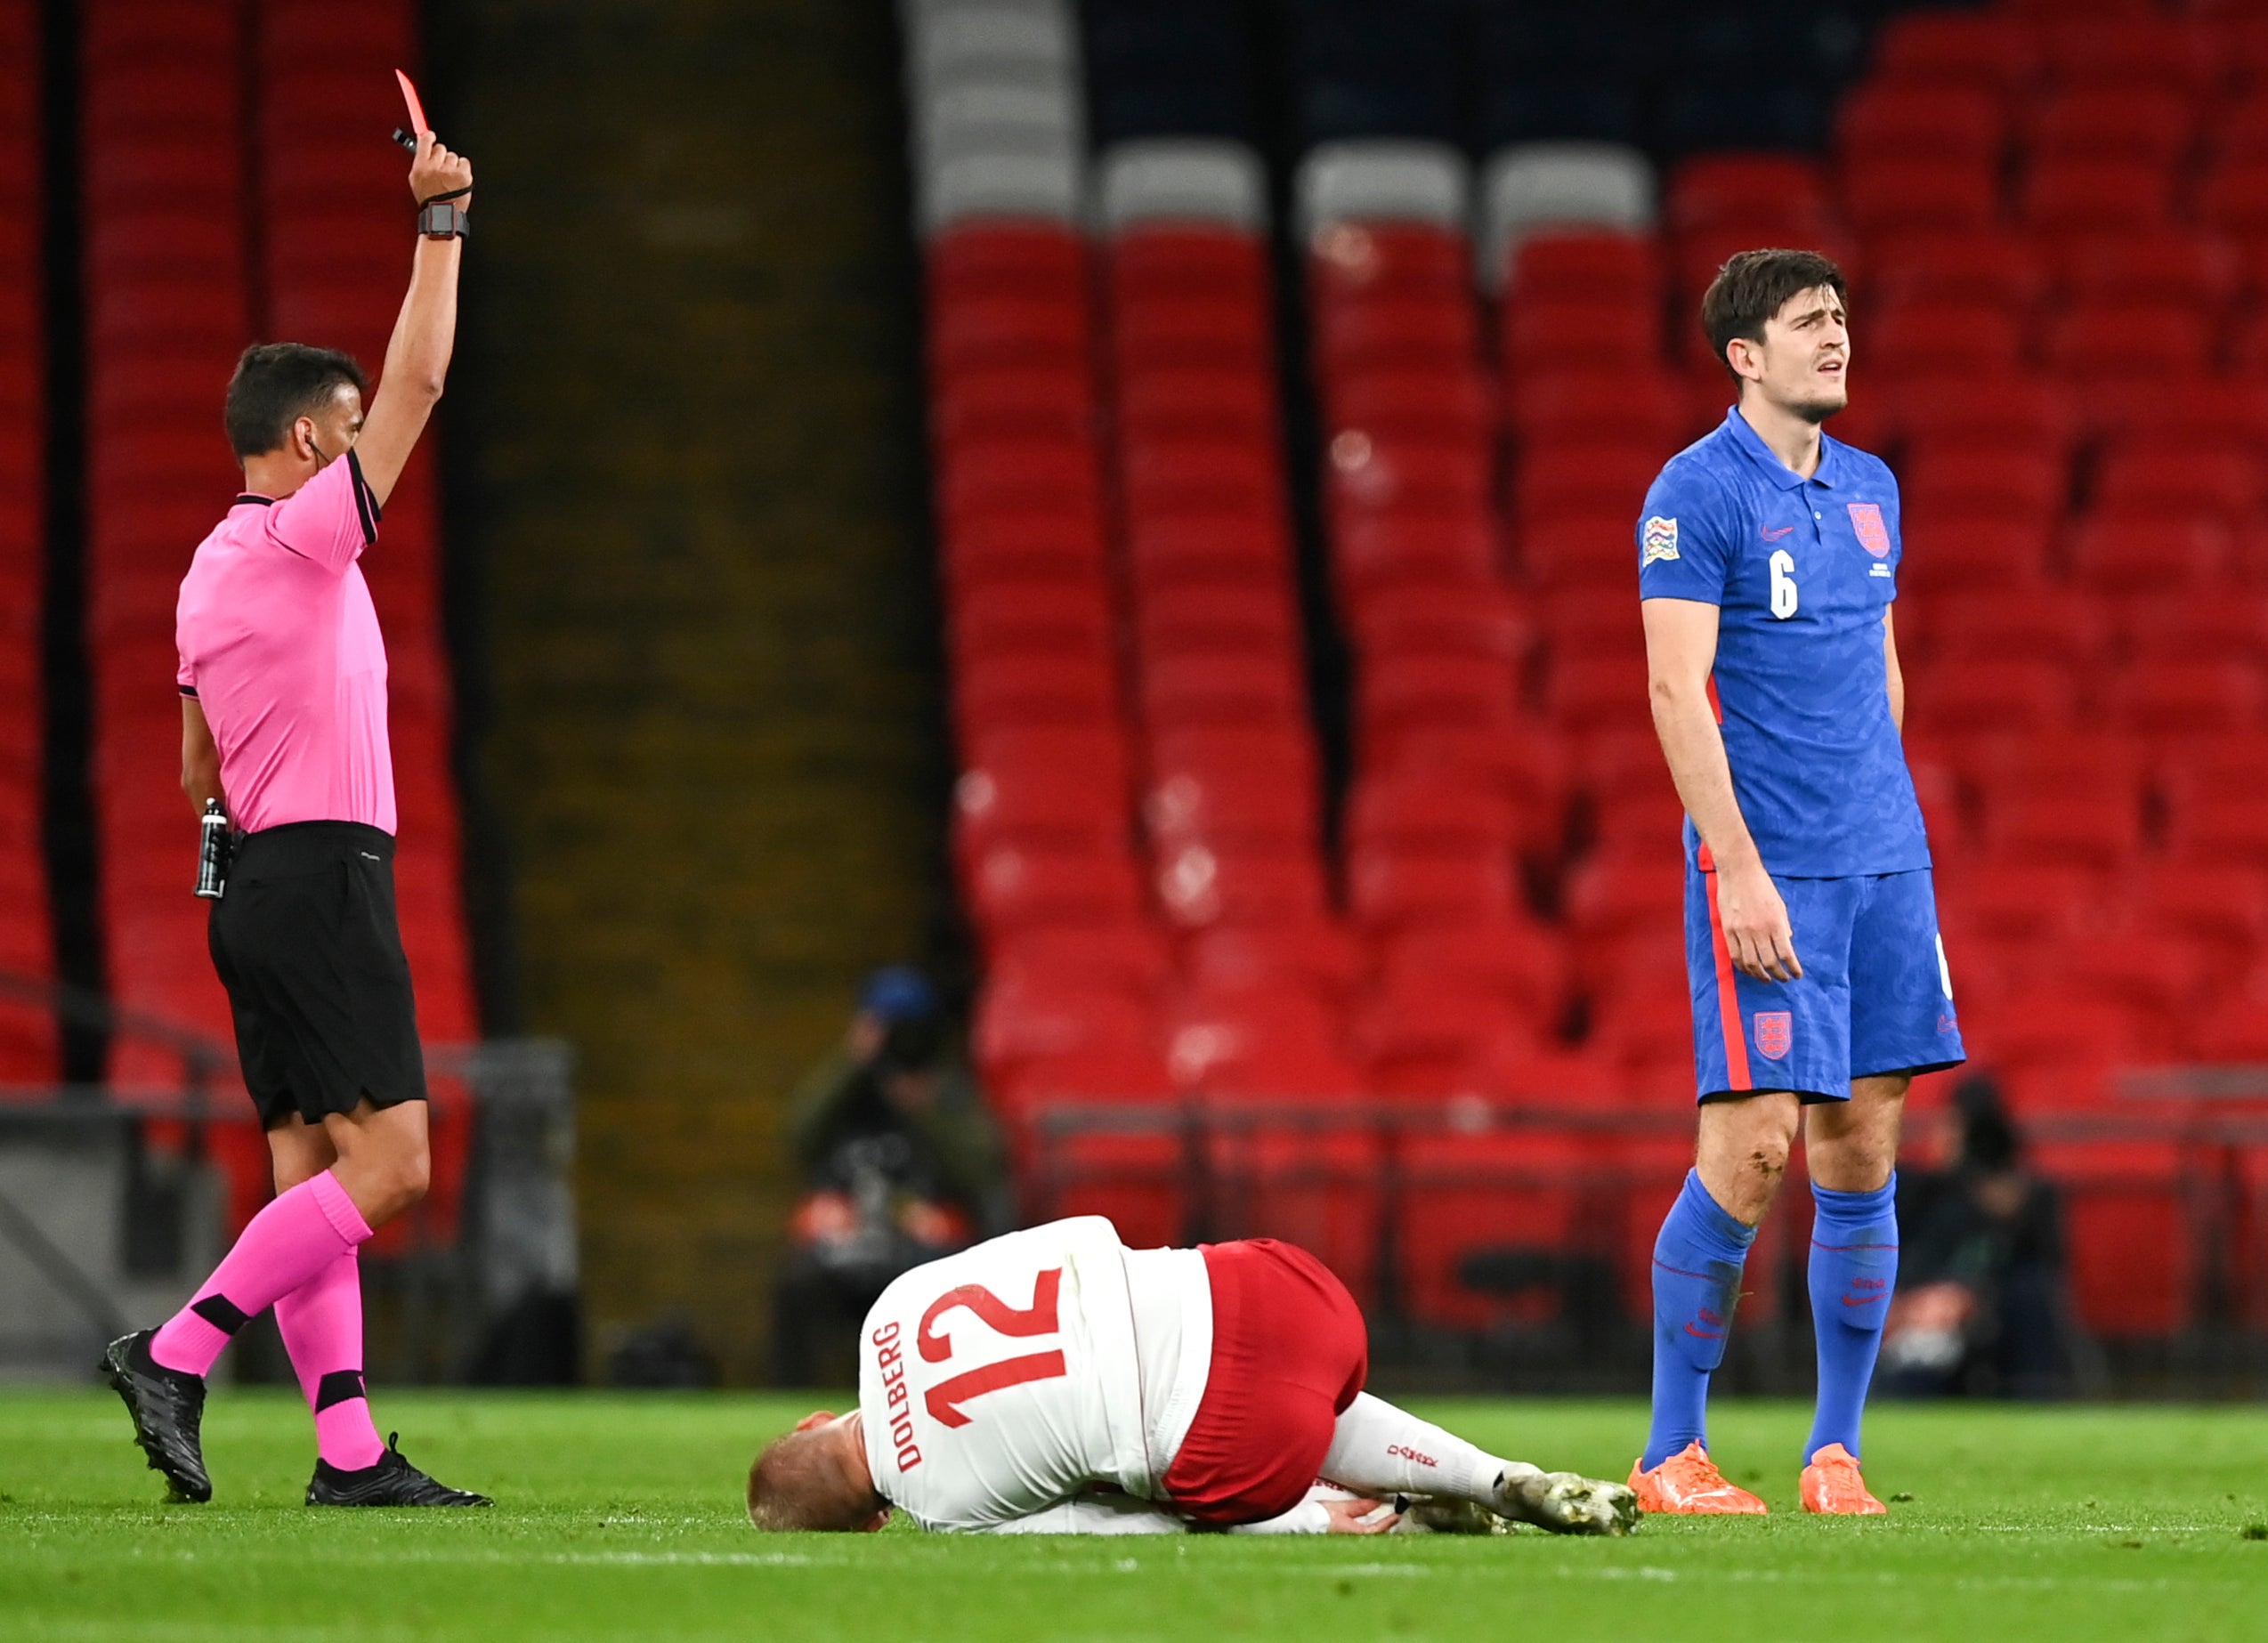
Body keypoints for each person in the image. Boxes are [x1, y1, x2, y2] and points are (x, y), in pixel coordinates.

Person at [100, 125, 486, 1508]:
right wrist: (440, 223)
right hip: (322, 876)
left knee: (312, 1175)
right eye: (345, 428)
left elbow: (193, 771)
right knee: (391, 1168)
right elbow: (425, 378)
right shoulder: (306, 535)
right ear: (317, 438)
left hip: (251, 884)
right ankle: (179, 1349)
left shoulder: (206, 573)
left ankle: (348, 1454)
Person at [1628, 248, 1964, 1516]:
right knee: (1754, 1147)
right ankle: (1671, 1451)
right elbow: (1674, 690)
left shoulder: (1874, 488)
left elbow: (1881, 667)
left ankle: (1836, 1454)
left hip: (1887, 863)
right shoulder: (1693, 492)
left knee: (1862, 1148)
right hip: (1770, 868)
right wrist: (1739, 866)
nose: (1835, 336)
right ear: (1744, 355)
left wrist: (1889, 825)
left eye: (1841, 316)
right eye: (1807, 320)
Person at [746, 1216, 1640, 1536]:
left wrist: (1291, 1525)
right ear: (813, 1419)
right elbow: (1079, 1235)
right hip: (1276, 1290)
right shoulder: (893, 1306)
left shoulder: (938, 1507)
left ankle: (1370, 1521)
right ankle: (1493, 1477)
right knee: (1253, 1371)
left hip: (1248, 1447)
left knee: (1153, 1466)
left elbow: (1108, 1530)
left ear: (868, 1522)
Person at [771, 967, 1011, 1385]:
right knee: (798, 1282)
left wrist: (926, 1105)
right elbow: (799, 1136)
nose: (901, 1041)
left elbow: (983, 1167)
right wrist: (855, 1063)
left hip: (925, 1249)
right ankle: (790, 1401)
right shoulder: (847, 1092)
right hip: (848, 1243)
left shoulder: (947, 1095)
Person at [1881, 1074, 2071, 1399]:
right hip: (1924, 1305)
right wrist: (1906, 1298)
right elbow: (1911, 1251)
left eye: (1955, 1128)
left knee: (2029, 1296)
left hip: (1992, 1308)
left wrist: (1967, 1293)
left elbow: (2033, 1261)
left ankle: (2029, 1394)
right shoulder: (1924, 1191)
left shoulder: (2024, 1196)